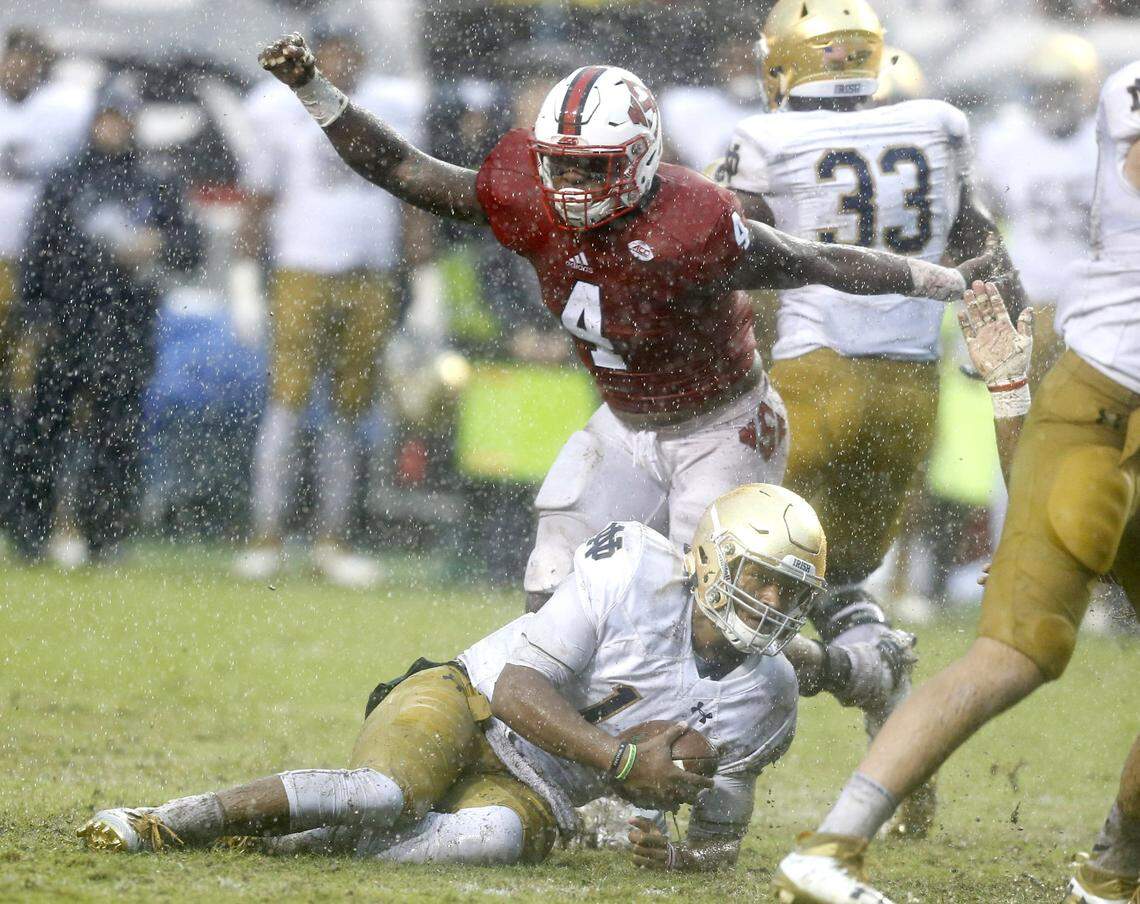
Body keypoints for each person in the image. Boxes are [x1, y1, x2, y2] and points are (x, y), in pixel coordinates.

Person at [252, 33, 993, 618]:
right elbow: (405, 170)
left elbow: (812, 261)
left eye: (591, 169)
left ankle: (822, 675)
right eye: (558, 166)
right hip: (627, 424)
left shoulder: (694, 221)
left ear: (640, 160)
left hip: (720, 427)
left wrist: (943, 281)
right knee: (550, 578)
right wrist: (315, 91)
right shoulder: (530, 192)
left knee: (701, 609)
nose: (568, 187)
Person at [770, 60, 1140, 904]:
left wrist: (1012, 389)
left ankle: (835, 846)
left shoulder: (1117, 103)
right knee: (1012, 650)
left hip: (1085, 396)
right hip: (1096, 398)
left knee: (1010, 651)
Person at [79, 483, 822, 871]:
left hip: (541, 790)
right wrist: (623, 761)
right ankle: (172, 819)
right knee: (385, 794)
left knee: (493, 839)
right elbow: (517, 692)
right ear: (710, 558)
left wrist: (681, 860)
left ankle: (284, 844)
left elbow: (722, 837)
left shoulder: (770, 692)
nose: (774, 604)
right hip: (468, 700)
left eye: (793, 592)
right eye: (760, 579)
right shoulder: (634, 567)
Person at [715, 0, 1028, 835]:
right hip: (909, 392)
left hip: (817, 377)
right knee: (839, 577)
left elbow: (712, 249)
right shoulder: (937, 124)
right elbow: (984, 255)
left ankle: (715, 794)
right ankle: (881, 684)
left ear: (786, 60)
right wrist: (1006, 364)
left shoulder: (766, 137)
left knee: (731, 585)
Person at [232, 28, 427, 589]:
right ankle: (266, 536)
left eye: (350, 53)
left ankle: (331, 540)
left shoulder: (391, 107)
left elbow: (413, 192)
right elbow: (259, 199)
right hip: (302, 271)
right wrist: (246, 279)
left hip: (371, 273)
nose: (342, 62)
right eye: (332, 54)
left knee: (350, 411)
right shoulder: (276, 107)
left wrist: (426, 281)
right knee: (287, 404)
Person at [5, 73, 201, 563]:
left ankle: (105, 535)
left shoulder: (155, 183)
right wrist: (36, 315)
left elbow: (190, 248)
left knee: (117, 434)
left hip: (127, 323)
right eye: (106, 118)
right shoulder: (66, 181)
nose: (112, 128)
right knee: (44, 432)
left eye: (121, 120)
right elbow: (38, 252)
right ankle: (31, 534)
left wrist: (159, 244)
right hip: (68, 323)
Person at [975, 32, 1099, 385]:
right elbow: (986, 222)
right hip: (1036, 301)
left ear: (1087, 89)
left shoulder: (1104, 140)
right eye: (1046, 88)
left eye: (1063, 88)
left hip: (1090, 303)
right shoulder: (1009, 140)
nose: (1053, 99)